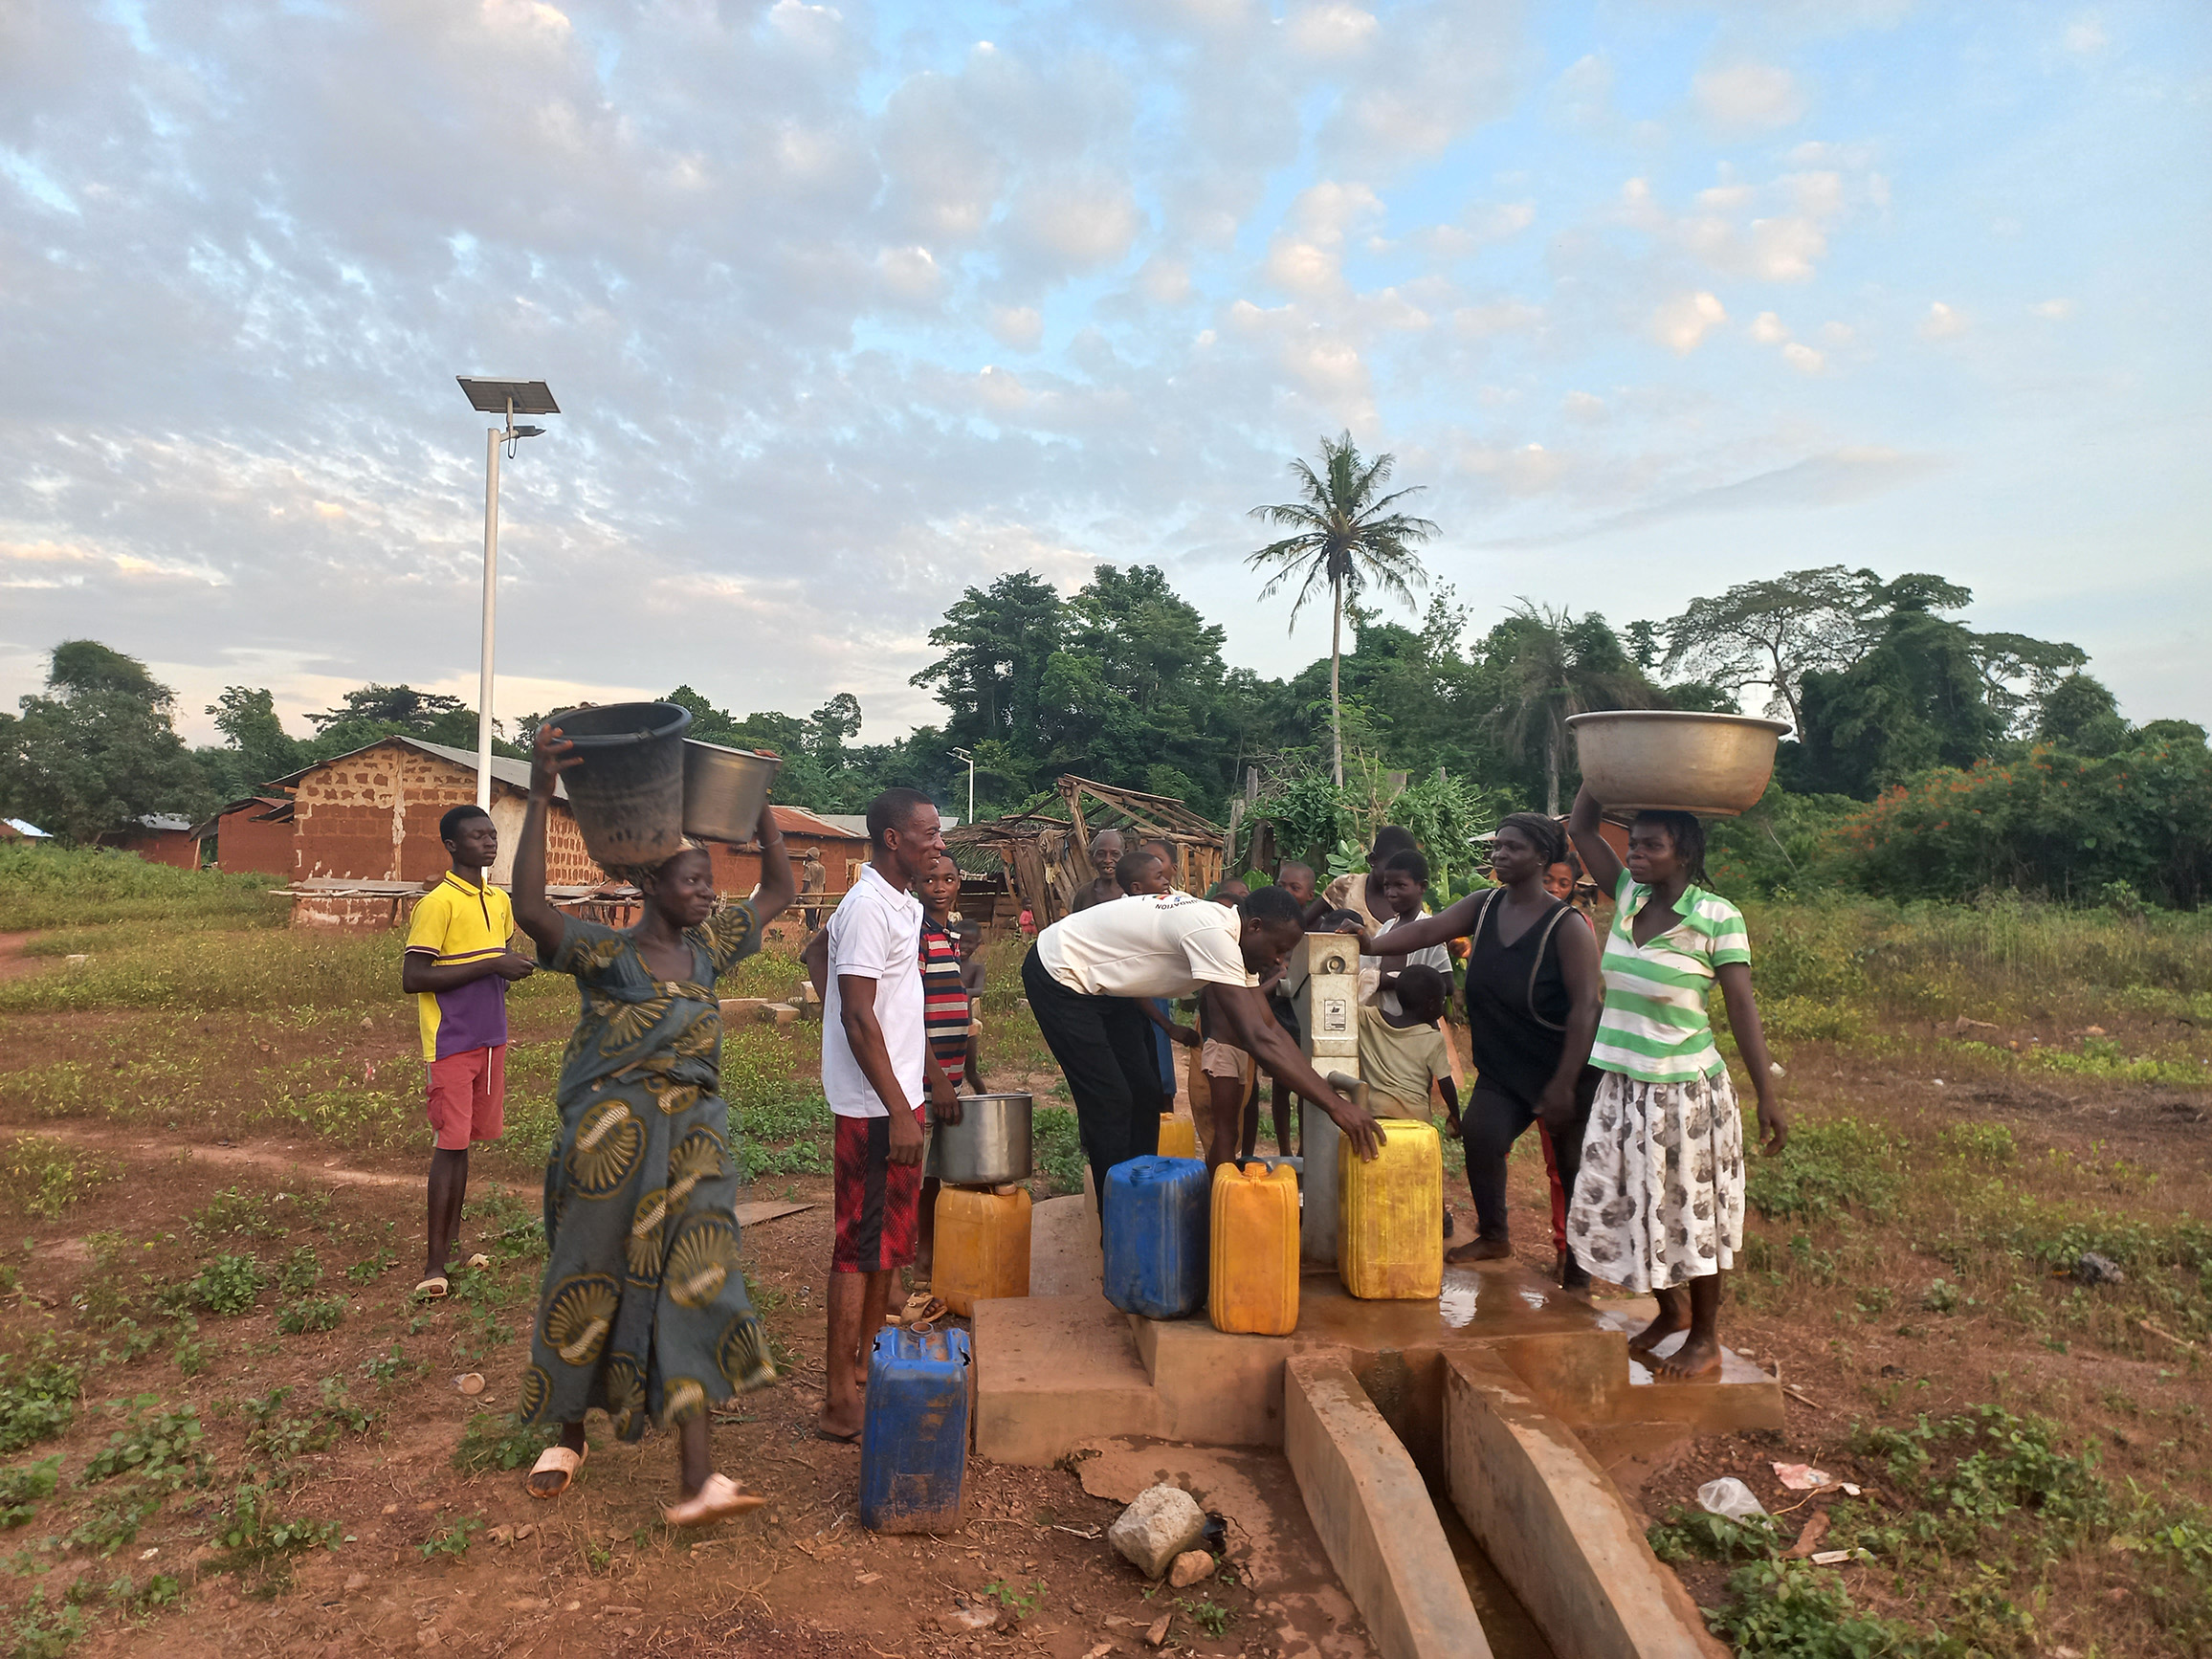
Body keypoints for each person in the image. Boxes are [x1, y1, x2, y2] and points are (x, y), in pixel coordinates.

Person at [507, 723, 796, 1524]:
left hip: (695, 1142)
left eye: (709, 879)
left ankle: (699, 1478)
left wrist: (760, 806)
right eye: (694, 880)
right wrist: (538, 792)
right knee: (586, 1278)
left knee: (699, 1279)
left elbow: (776, 892)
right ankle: (568, 1432)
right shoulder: (608, 955)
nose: (708, 891)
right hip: (610, 1149)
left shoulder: (711, 950)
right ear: (651, 887)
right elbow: (529, 907)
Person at [1566, 784, 1787, 1379]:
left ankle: (1706, 1338)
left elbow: (1741, 1009)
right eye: (1633, 844)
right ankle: (1671, 1312)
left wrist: (1768, 1093)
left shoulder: (1718, 916)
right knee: (1626, 1200)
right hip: (1623, 1087)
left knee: (1690, 1212)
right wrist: (1601, 770)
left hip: (1684, 1092)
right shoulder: (1628, 895)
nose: (1636, 854)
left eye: (1651, 846)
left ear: (1683, 853)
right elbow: (1583, 826)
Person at [1352, 813, 1604, 1282]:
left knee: (1572, 1169)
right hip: (1504, 1067)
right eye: (1498, 846)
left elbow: (1587, 1008)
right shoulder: (1484, 905)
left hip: (1562, 1067)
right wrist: (1368, 943)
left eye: (1512, 848)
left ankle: (1579, 1268)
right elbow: (1428, 931)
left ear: (1542, 857)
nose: (1499, 856)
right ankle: (1494, 1235)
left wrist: (1566, 1085)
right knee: (1482, 1137)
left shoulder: (1566, 926)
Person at [1024, 886, 1383, 1210]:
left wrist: (1329, 1098)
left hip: (1104, 986)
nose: (1279, 960)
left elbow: (1269, 1028)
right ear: (1254, 926)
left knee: (1147, 1092)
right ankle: (1119, 1220)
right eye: (1278, 949)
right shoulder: (1213, 934)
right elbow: (1258, 1037)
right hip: (1060, 971)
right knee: (1112, 1101)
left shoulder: (1235, 944)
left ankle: (1142, 1195)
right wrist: (1336, 1106)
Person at [805, 788, 959, 1441]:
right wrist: (897, 1108)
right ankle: (840, 1399)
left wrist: (928, 1079)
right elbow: (857, 1014)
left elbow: (891, 1001)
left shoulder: (902, 904)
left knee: (887, 1246)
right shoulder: (868, 906)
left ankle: (868, 1363)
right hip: (872, 1107)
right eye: (928, 835)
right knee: (857, 1249)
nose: (939, 846)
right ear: (893, 840)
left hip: (899, 1097)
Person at [402, 804, 536, 1302]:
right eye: (477, 836)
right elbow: (414, 977)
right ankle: (435, 1263)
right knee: (449, 1147)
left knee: (464, 1147)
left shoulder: (497, 901)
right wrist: (490, 967)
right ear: (452, 846)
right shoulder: (438, 904)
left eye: (492, 834)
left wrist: (502, 968)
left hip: (490, 1038)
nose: (489, 842)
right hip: (451, 1041)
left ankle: (455, 1248)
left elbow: (494, 958)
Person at [913, 853, 984, 1285]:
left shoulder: (951, 937)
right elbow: (906, 1013)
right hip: (926, 1080)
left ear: (959, 884)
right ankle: (904, 1265)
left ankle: (928, 1256)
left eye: (949, 879)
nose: (940, 887)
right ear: (915, 884)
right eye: (930, 879)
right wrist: (938, 1079)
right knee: (911, 1178)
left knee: (935, 1174)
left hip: (949, 1077)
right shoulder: (918, 936)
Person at [1355, 963, 1459, 1131]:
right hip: (1416, 1121)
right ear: (1432, 1005)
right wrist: (1455, 1115)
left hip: (1374, 1117)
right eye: (1442, 1001)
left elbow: (1343, 1003)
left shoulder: (1368, 1019)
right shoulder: (1432, 1038)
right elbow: (1445, 1082)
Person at [1361, 849, 1453, 1016]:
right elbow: (1361, 973)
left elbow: (1447, 985)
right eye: (1387, 886)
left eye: (1400, 886)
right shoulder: (1386, 929)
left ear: (1422, 887)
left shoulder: (1430, 931)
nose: (1391, 893)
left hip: (1415, 1029)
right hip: (1380, 1026)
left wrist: (1390, 981)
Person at [1323, 827, 1416, 933]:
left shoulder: (1409, 902)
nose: (1400, 875)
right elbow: (1306, 922)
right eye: (1392, 867)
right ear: (1373, 860)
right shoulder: (1347, 886)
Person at [800, 848, 828, 931]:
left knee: (810, 919)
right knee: (815, 917)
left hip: (809, 896)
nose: (807, 857)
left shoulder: (809, 867)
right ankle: (815, 929)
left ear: (811, 856)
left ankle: (812, 934)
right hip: (819, 896)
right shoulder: (822, 868)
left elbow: (806, 883)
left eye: (808, 855)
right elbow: (823, 884)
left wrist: (801, 896)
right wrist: (823, 896)